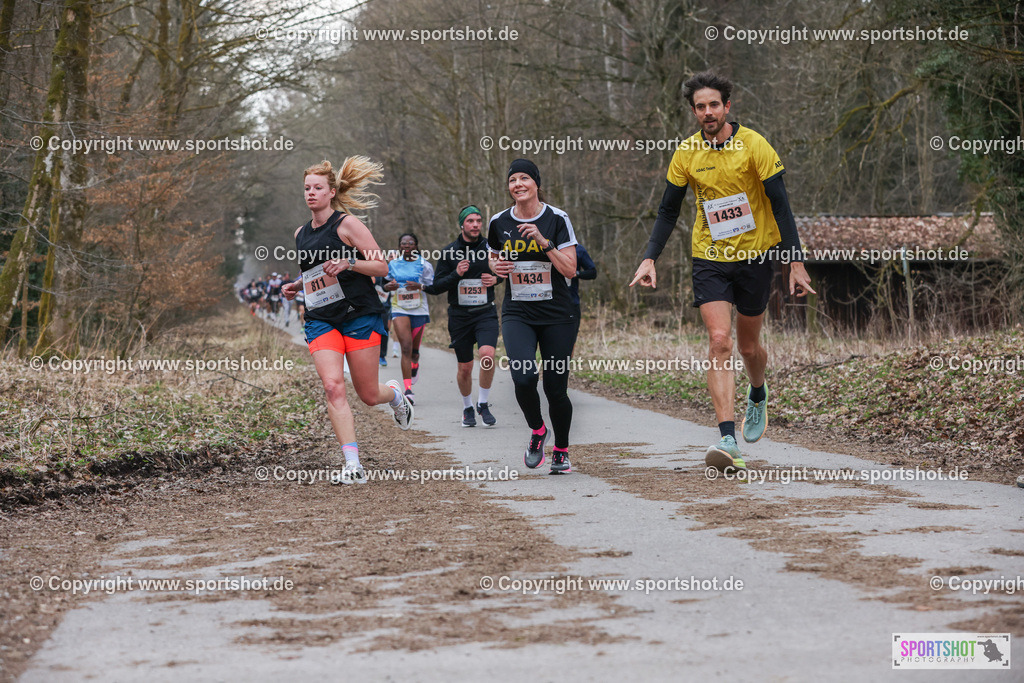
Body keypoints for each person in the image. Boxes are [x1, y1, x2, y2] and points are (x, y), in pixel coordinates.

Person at [629, 71, 815, 472]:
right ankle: (727, 437)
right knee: (719, 341)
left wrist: (794, 261)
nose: (708, 112)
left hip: (755, 256)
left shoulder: (754, 145)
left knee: (748, 348)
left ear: (727, 106)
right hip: (710, 257)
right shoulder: (686, 153)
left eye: (714, 104)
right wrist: (650, 257)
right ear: (694, 111)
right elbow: (667, 210)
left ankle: (759, 391)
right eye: (701, 106)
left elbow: (781, 206)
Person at [281, 158, 415, 485]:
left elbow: (381, 268)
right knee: (332, 386)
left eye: (317, 188)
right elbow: (314, 271)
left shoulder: (347, 225)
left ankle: (396, 395)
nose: (311, 193)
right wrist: (297, 285)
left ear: (331, 192)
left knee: (368, 394)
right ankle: (353, 463)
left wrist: (349, 262)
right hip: (321, 318)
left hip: (359, 314)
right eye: (307, 189)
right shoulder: (301, 233)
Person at [488, 159, 578, 474]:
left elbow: (570, 268)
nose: (518, 184)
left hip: (558, 313)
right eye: (513, 179)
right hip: (518, 312)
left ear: (536, 183)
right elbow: (493, 260)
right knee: (523, 376)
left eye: (525, 177)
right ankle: (538, 430)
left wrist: (544, 243)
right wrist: (495, 269)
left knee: (555, 388)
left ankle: (562, 450)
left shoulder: (557, 218)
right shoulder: (499, 221)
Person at [424, 205, 500, 427]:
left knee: (487, 356)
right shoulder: (449, 252)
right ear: (462, 225)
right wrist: (456, 274)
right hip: (460, 316)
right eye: (470, 221)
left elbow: (507, 271)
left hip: (485, 312)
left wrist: (497, 280)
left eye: (478, 221)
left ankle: (483, 404)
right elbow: (435, 287)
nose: (475, 225)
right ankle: (468, 407)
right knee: (465, 367)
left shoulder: (491, 248)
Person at [383, 233, 433, 405]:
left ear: (416, 246)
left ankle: (415, 364)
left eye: (410, 243)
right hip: (399, 307)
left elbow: (432, 286)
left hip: (419, 309)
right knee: (405, 348)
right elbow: (385, 284)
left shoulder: (424, 265)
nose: (407, 246)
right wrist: (389, 286)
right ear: (399, 246)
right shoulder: (393, 264)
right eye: (403, 243)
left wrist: (419, 286)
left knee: (415, 353)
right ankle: (408, 390)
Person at [569, 242, 597, 342]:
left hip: (572, 303)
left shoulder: (578, 249)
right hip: (549, 303)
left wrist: (576, 273)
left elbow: (592, 272)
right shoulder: (545, 247)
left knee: (570, 341)